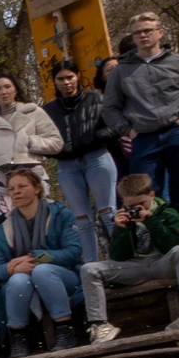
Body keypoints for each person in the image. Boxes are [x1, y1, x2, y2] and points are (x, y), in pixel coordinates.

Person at [109, 12, 179, 247]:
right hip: (144, 138)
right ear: (132, 37)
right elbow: (110, 108)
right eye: (137, 33)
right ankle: (157, 248)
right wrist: (128, 131)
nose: (143, 35)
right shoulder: (121, 71)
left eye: (148, 30)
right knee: (142, 196)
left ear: (159, 33)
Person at [83, 172, 179, 341]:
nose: (136, 209)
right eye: (130, 206)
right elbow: (118, 257)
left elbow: (172, 246)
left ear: (151, 195)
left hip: (163, 263)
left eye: (141, 204)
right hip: (136, 267)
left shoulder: (168, 212)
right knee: (89, 269)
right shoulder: (122, 218)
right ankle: (99, 324)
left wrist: (151, 221)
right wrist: (121, 230)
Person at [0, 165, 86, 355]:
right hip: (24, 278)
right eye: (12, 189)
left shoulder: (60, 214)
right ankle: (18, 338)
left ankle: (65, 330)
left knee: (42, 271)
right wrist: (11, 269)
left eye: (22, 186)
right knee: (17, 280)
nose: (16, 192)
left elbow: (73, 252)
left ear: (37, 188)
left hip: (63, 275)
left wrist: (35, 258)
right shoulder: (2, 225)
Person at [0, 72, 61, 223]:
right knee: (6, 224)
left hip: (32, 173)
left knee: (43, 221)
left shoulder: (33, 111)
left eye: (7, 87)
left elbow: (56, 143)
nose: (3, 92)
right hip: (0, 178)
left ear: (15, 90)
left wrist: (29, 141)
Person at [44, 61, 124, 237]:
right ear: (55, 81)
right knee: (81, 219)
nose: (66, 82)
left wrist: (93, 138)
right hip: (67, 165)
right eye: (61, 79)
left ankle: (122, 259)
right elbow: (41, 139)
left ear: (78, 76)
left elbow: (116, 126)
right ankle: (90, 262)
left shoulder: (98, 100)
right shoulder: (47, 110)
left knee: (108, 212)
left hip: (97, 157)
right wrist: (57, 149)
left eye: (70, 77)